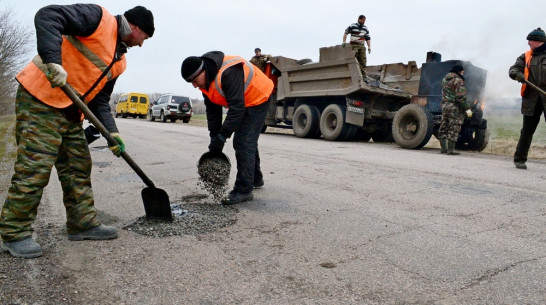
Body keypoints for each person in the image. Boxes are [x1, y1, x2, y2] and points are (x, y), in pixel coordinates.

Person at [0, 4, 155, 258]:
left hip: (70, 110)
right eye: (144, 38)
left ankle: (81, 223)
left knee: (78, 165)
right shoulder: (98, 18)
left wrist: (112, 133)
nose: (142, 44)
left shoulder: (120, 60)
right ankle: (14, 232)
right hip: (40, 97)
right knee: (35, 167)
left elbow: (100, 100)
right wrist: (53, 61)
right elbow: (48, 15)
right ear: (136, 27)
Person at [181, 51, 274, 205]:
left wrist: (222, 137)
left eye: (195, 80)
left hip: (259, 96)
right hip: (244, 100)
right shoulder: (206, 82)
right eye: (190, 82)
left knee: (243, 141)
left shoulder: (228, 73)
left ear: (202, 71)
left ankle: (244, 190)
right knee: (247, 140)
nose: (195, 85)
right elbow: (213, 111)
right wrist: (214, 136)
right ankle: (255, 178)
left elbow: (237, 109)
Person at [509, 27, 546, 170]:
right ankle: (520, 159)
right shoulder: (526, 56)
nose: (528, 43)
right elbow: (513, 69)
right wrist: (516, 74)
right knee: (527, 130)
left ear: (538, 41)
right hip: (531, 99)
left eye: (530, 40)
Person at [438, 64, 472, 156]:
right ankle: (451, 150)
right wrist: (467, 108)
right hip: (454, 107)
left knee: (444, 126)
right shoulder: (458, 80)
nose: (463, 74)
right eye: (462, 72)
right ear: (459, 71)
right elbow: (460, 97)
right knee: (454, 126)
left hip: (445, 105)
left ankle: (443, 149)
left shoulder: (444, 79)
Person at [342, 15, 371, 79]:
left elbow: (368, 38)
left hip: (362, 46)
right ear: (359, 19)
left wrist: (369, 46)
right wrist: (344, 41)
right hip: (354, 46)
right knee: (354, 61)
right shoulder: (353, 26)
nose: (364, 22)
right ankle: (355, 76)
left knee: (363, 62)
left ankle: (364, 77)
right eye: (363, 20)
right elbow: (346, 32)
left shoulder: (365, 28)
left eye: (364, 20)